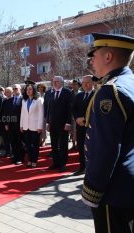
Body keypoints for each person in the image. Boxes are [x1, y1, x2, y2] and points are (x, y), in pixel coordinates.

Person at [82, 33, 134, 233]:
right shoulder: (128, 82)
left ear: (108, 57)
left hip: (114, 189)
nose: (91, 61)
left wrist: (92, 190)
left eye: (94, 55)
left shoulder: (110, 91)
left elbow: (105, 148)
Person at [46, 76, 73, 172]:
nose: (54, 83)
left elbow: (70, 109)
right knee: (53, 144)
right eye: (53, 81)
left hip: (63, 124)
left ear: (61, 82)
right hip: (53, 124)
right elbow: (49, 109)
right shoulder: (51, 93)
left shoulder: (67, 93)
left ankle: (63, 164)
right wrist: (48, 123)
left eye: (56, 81)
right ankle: (55, 162)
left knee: (63, 144)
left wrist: (68, 122)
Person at [72, 75, 94, 175]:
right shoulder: (79, 96)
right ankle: (82, 167)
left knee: (91, 148)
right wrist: (77, 119)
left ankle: (91, 169)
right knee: (81, 147)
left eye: (87, 82)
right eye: (83, 82)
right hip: (79, 126)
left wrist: (85, 119)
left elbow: (96, 111)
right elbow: (74, 109)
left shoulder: (96, 95)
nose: (85, 84)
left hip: (91, 127)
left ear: (93, 83)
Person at [20, 83, 43, 168]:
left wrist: (40, 126)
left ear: (33, 90)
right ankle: (29, 160)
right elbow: (22, 114)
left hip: (35, 126)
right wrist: (21, 125)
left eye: (30, 89)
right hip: (26, 126)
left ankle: (34, 160)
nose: (28, 91)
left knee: (35, 145)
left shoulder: (39, 100)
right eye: (27, 90)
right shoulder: (24, 100)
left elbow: (41, 114)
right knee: (28, 145)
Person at [5, 84, 25, 164]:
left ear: (20, 89)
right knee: (13, 142)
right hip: (11, 125)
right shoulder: (9, 100)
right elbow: (6, 113)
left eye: (16, 88)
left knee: (20, 142)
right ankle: (15, 156)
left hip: (20, 125)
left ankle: (20, 158)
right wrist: (6, 124)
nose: (14, 89)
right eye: (13, 88)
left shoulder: (24, 99)